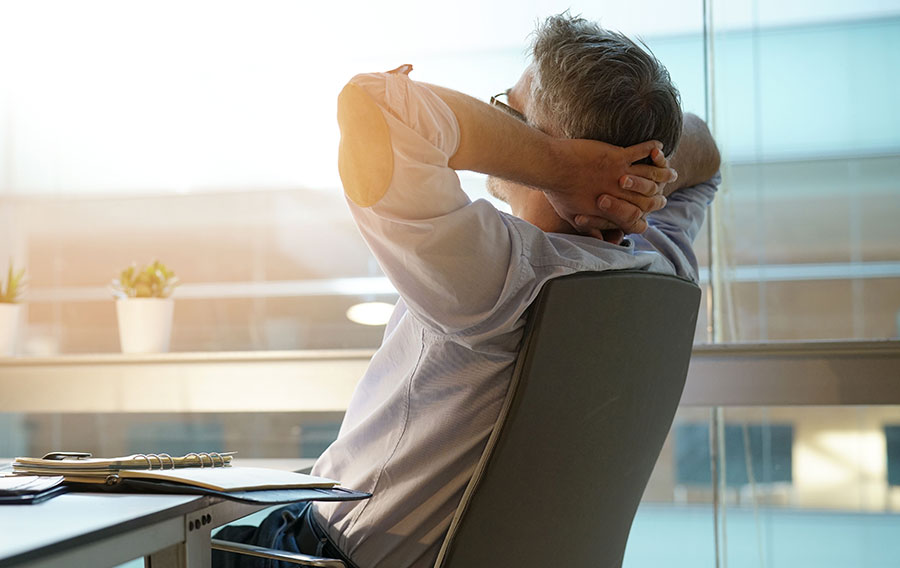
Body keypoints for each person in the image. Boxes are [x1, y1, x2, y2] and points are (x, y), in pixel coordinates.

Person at [213, 13, 720, 568]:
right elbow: (707, 153)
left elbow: (374, 106)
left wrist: (557, 166)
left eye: (512, 117)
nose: (504, 129)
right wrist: (642, 171)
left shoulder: (499, 275)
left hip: (321, 555)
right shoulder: (662, 264)